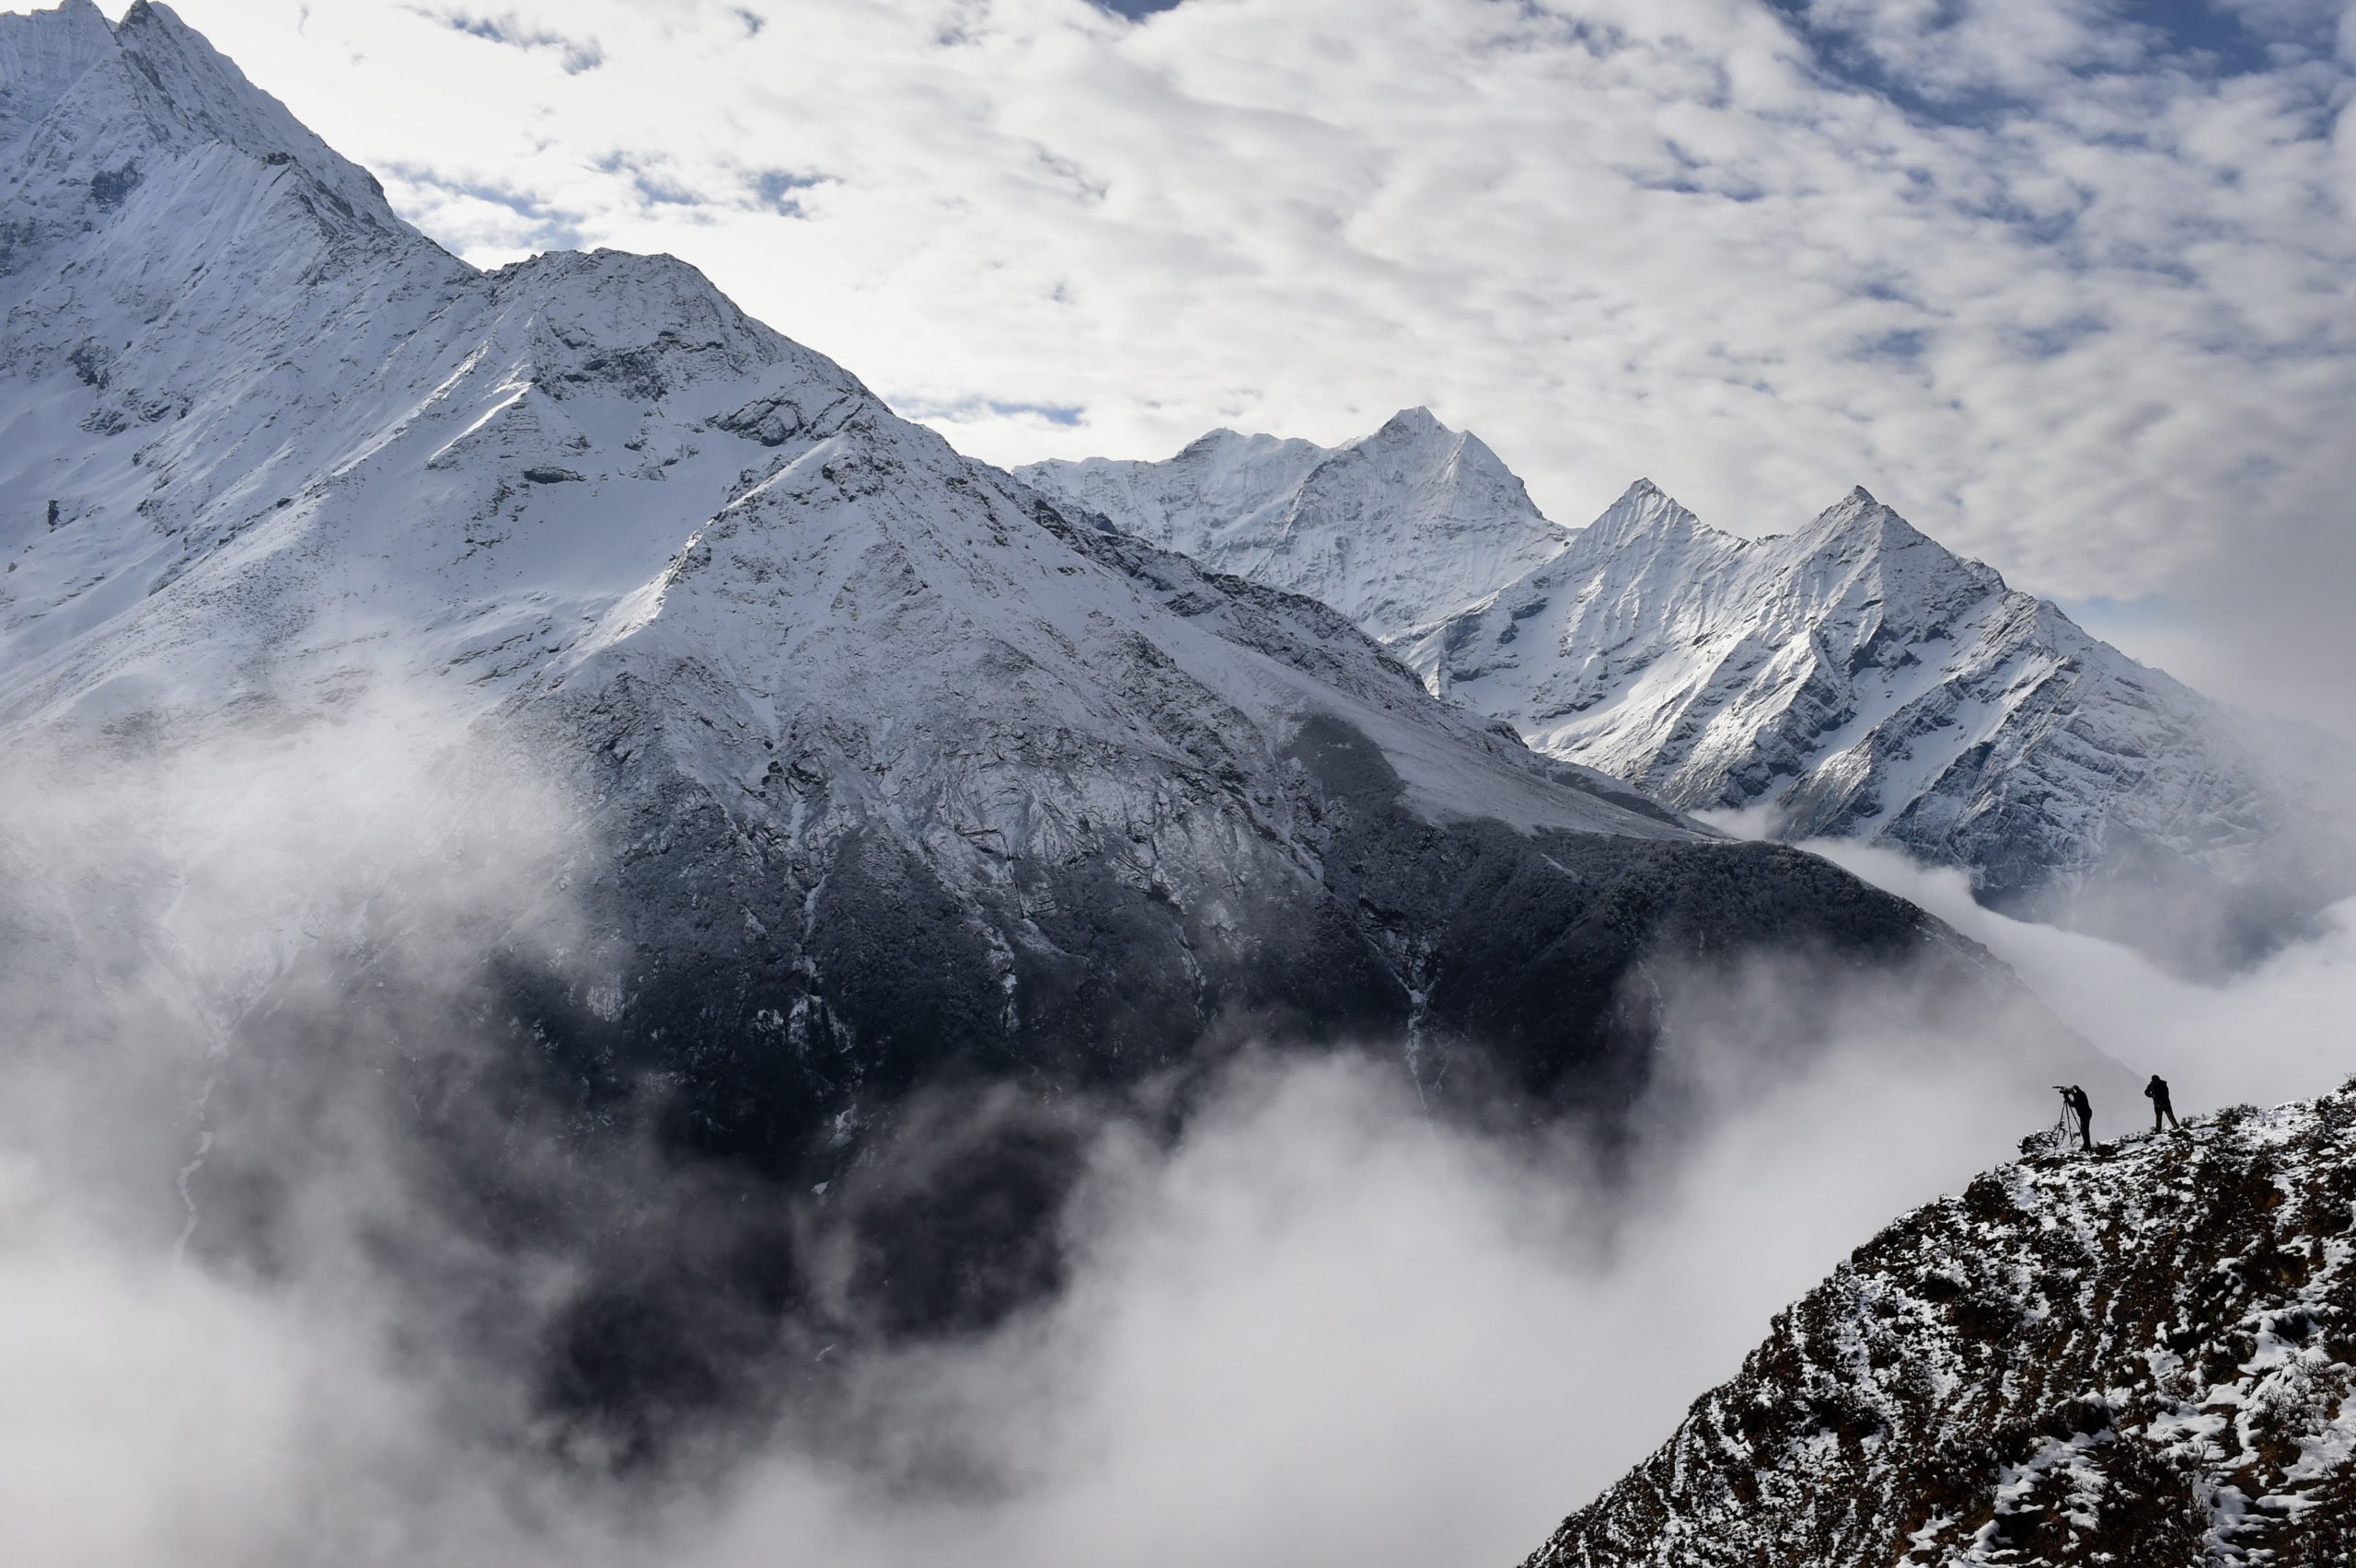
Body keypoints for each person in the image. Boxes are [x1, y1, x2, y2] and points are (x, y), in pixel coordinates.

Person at [2062, 1084, 2093, 1151]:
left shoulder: (2079, 1096)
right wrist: (2069, 1093)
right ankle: (2086, 1146)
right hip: (2086, 1114)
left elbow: (2073, 1104)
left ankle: (2088, 1147)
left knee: (2085, 1131)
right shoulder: (2081, 1094)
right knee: (2084, 1130)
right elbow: (2076, 1096)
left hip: (2085, 1114)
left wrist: (2066, 1097)